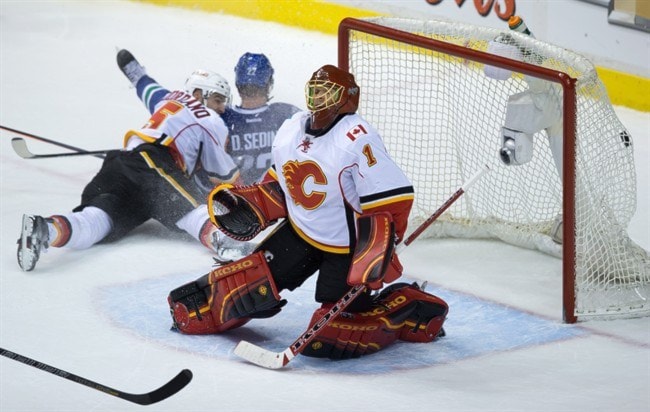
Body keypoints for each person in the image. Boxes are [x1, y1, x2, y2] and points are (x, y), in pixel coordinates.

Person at [166, 65, 449, 360]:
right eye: (315, 91)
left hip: (345, 247)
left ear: (347, 98)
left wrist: (379, 249)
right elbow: (281, 182)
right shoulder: (292, 128)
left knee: (332, 333)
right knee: (247, 287)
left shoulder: (357, 138)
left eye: (327, 92)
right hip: (301, 231)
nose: (318, 99)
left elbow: (393, 199)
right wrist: (259, 203)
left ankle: (407, 307)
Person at [16, 51, 244, 272]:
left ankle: (46, 229)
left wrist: (134, 71)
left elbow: (147, 87)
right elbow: (226, 177)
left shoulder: (167, 98)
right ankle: (225, 242)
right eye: (218, 99)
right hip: (151, 163)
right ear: (197, 93)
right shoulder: (211, 119)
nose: (222, 107)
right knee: (189, 207)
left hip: (119, 164)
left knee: (95, 221)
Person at [484, 15, 564, 243]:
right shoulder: (544, 87)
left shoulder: (548, 94)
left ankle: (577, 217)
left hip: (554, 108)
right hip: (552, 105)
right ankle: (575, 216)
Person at [221, 52, 301, 184]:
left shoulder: (224, 118)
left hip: (232, 200)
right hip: (275, 198)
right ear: (268, 83)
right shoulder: (285, 114)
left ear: (238, 83)